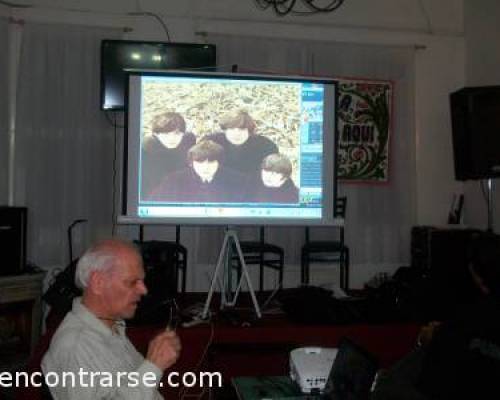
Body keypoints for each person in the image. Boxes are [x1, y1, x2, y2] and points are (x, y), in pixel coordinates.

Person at [41, 239, 181, 400]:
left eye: (142, 281)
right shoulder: (75, 345)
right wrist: (153, 366)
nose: (143, 290)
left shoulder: (110, 326)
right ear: (98, 282)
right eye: (132, 282)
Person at [372, 232, 500, 400]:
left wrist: (434, 336)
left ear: (475, 273)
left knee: (384, 384)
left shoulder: (467, 317)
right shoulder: (471, 316)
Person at [148, 139, 245, 203]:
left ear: (219, 163)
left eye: (211, 162)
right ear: (191, 163)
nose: (205, 167)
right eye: (200, 162)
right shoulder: (173, 180)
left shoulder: (238, 180)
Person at [206, 110, 278, 182]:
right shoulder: (211, 142)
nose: (237, 134)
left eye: (242, 129)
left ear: (249, 130)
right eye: (231, 129)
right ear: (225, 129)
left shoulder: (266, 146)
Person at [141, 112, 196, 198]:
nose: (171, 139)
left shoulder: (188, 139)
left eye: (177, 133)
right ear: (156, 134)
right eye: (165, 134)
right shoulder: (146, 148)